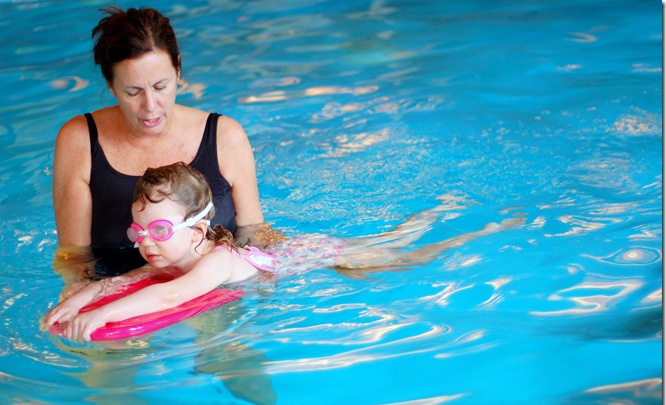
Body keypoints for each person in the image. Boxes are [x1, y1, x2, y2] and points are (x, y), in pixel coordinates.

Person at [43, 162, 524, 342]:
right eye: (138, 230)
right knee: (389, 244)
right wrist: (73, 303)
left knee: (402, 253)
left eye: (159, 229)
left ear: (197, 231)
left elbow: (171, 297)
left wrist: (100, 318)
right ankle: (437, 212)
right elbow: (117, 282)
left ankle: (471, 229)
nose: (145, 241)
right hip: (289, 256)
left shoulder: (217, 260)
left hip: (313, 256)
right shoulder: (165, 259)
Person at [52, 6, 278, 280]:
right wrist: (78, 292)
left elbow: (254, 233)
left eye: (160, 86)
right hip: (117, 287)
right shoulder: (80, 140)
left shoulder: (225, 136)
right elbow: (74, 256)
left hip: (214, 287)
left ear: (178, 69)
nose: (150, 106)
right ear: (111, 85)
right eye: (133, 92)